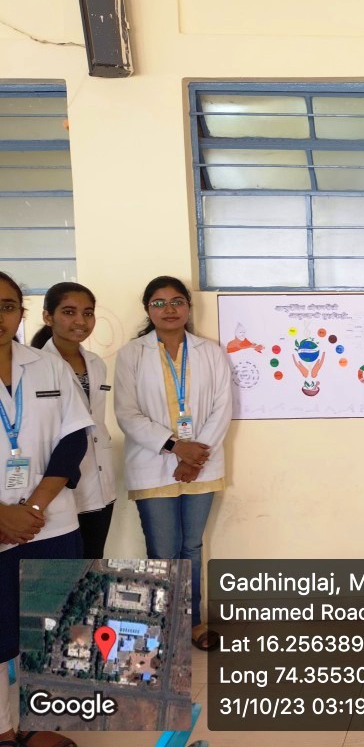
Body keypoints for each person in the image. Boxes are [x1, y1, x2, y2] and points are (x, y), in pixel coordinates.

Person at [114, 276, 231, 651]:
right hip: (152, 464)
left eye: (177, 301)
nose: (169, 309)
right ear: (147, 309)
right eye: (159, 303)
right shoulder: (131, 354)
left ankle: (193, 622)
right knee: (163, 550)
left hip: (202, 465)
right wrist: (176, 447)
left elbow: (222, 408)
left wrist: (194, 457)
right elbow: (127, 413)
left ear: (188, 308)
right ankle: (165, 625)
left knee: (192, 547)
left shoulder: (211, 351)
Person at [0, 272, 91, 747]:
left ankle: (40, 723)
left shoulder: (48, 366)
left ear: (21, 312)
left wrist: (32, 506)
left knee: (49, 625)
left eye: (7, 306)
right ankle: (3, 729)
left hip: (51, 522)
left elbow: (73, 439)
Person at [31, 282, 116, 559]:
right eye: (69, 312)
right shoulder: (35, 366)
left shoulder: (97, 363)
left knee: (93, 563)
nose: (80, 321)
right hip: (57, 485)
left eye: (88, 313)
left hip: (100, 481)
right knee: (60, 569)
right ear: (48, 317)